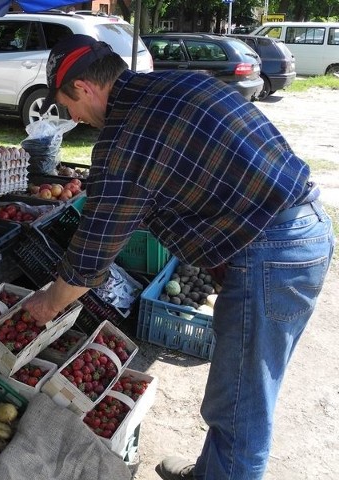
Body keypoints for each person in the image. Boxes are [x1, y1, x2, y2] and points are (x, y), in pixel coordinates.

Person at [21, 34, 335, 480]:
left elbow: (92, 255)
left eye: (66, 105)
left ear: (86, 88)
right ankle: (211, 472)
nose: (72, 118)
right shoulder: (172, 85)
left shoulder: (126, 139)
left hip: (274, 250)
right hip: (291, 233)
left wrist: (48, 305)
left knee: (242, 405)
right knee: (236, 393)